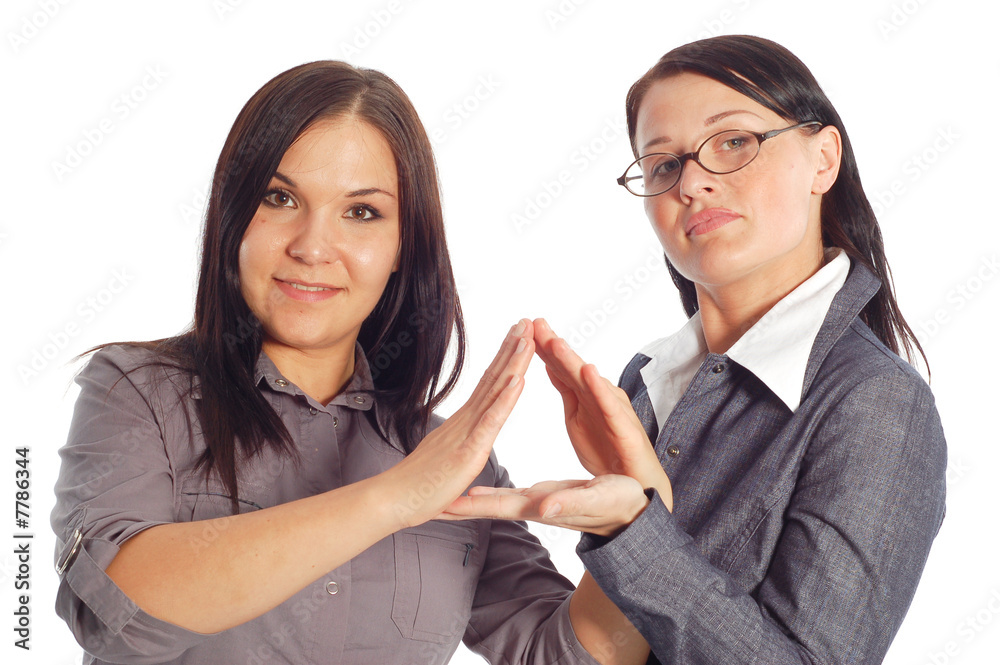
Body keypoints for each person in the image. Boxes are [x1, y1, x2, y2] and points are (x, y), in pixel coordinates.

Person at [50, 61, 651, 665]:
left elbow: (562, 656)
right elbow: (111, 617)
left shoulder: (450, 460)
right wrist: (395, 498)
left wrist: (641, 525)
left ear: (402, 246)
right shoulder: (137, 393)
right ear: (232, 218)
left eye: (361, 212)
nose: (312, 247)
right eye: (279, 198)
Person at [443, 35, 947, 664]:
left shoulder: (878, 402)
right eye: (663, 165)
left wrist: (633, 531)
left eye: (733, 141)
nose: (692, 183)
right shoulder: (647, 379)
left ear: (823, 160)